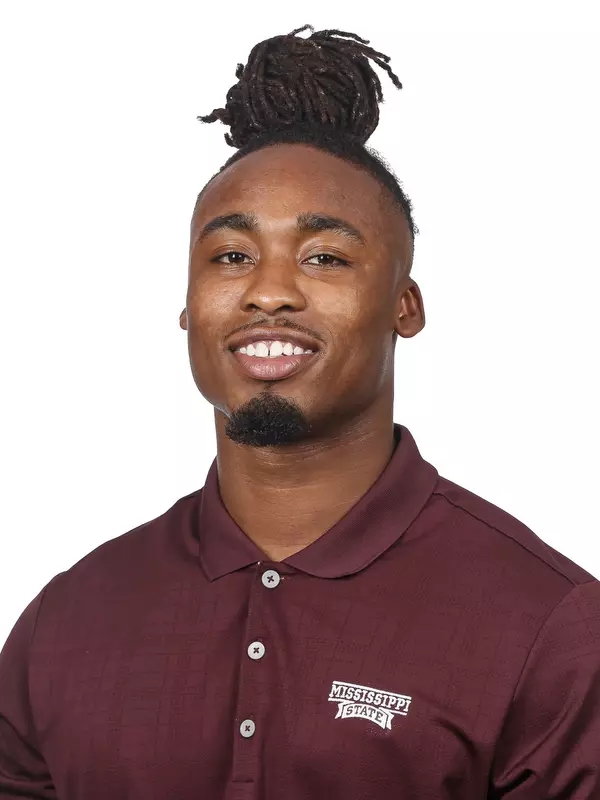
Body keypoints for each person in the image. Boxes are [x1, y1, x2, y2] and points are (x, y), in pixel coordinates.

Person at [0, 24, 599, 800]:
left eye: (324, 257)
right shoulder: (67, 621)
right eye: (231, 257)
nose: (269, 291)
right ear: (188, 307)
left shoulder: (547, 624)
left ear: (404, 305)